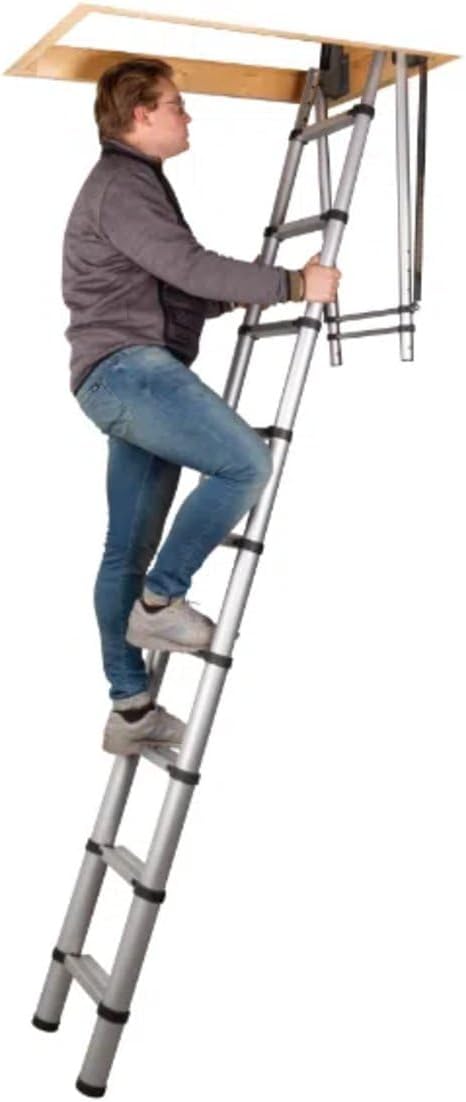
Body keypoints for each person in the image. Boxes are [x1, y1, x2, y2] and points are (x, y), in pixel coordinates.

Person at [62, 57, 341, 757]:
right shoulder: (122, 186)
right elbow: (187, 267)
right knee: (246, 462)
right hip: (130, 373)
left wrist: (269, 285)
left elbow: (181, 285)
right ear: (140, 115)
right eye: (177, 105)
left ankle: (130, 712)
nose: (189, 115)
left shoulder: (136, 184)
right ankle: (161, 603)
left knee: (123, 549)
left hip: (119, 378)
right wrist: (288, 283)